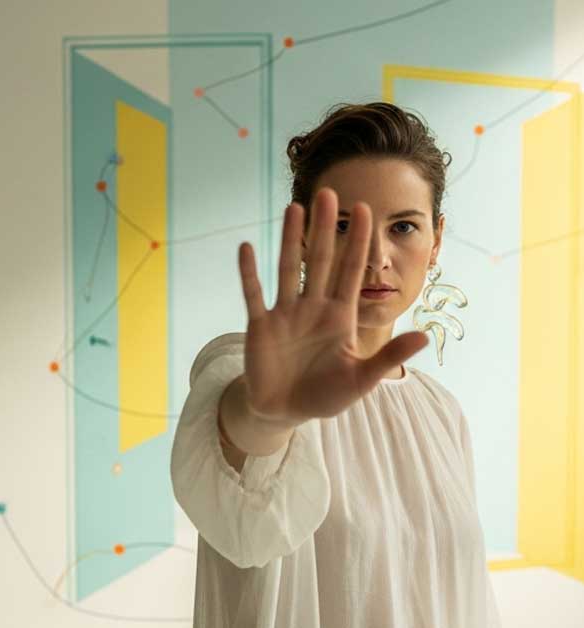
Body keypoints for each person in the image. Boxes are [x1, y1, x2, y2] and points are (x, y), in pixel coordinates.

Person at [170, 102, 500, 628]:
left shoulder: (442, 413)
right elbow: (243, 455)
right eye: (345, 224)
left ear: (436, 239)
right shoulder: (245, 368)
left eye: (404, 227)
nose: (376, 257)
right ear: (304, 235)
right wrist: (269, 414)